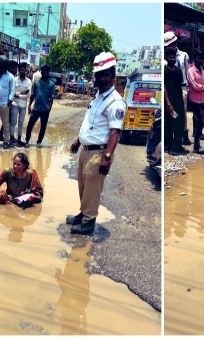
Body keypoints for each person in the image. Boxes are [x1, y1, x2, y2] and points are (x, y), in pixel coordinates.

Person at [66, 52, 126, 235]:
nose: (102, 78)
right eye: (99, 74)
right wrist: (78, 141)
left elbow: (115, 132)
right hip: (86, 150)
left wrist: (107, 157)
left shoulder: (116, 102)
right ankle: (83, 214)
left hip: (99, 153)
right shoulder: (98, 97)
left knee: (93, 189)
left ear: (113, 76)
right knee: (84, 186)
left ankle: (88, 223)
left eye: (106, 74)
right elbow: (90, 125)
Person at [164, 31, 193, 145]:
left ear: (175, 44)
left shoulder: (184, 56)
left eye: (170, 45)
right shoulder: (164, 58)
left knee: (182, 114)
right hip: (168, 90)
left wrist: (189, 90)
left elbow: (188, 72)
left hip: (181, 88)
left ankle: (183, 135)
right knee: (170, 115)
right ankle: (169, 140)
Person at [187, 48, 204, 154]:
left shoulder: (203, 72)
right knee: (200, 121)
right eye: (198, 58)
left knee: (201, 118)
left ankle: (197, 138)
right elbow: (194, 85)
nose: (200, 61)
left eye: (201, 59)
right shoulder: (191, 71)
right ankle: (196, 145)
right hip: (194, 100)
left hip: (202, 100)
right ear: (194, 59)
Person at [164, 47, 187, 155]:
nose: (172, 59)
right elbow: (164, 88)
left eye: (173, 57)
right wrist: (168, 104)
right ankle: (170, 147)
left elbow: (181, 85)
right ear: (166, 57)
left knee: (180, 122)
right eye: (170, 57)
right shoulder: (164, 71)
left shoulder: (178, 70)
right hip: (169, 101)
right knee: (170, 125)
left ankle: (178, 145)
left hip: (178, 100)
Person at [25, 64, 54, 148]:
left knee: (43, 127)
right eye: (44, 72)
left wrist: (49, 108)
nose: (45, 74)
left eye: (47, 73)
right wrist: (29, 105)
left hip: (45, 109)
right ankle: (27, 140)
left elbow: (52, 97)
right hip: (36, 108)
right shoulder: (36, 82)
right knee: (30, 125)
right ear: (41, 73)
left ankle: (39, 142)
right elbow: (33, 94)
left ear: (49, 73)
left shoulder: (51, 84)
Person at [13, 62, 32, 146]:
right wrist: (22, 93)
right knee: (13, 122)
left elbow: (28, 94)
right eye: (20, 70)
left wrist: (18, 95)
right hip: (14, 104)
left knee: (21, 122)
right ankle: (11, 138)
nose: (21, 71)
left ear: (25, 70)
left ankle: (19, 138)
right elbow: (12, 92)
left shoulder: (28, 81)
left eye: (23, 70)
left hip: (23, 105)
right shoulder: (14, 80)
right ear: (18, 70)